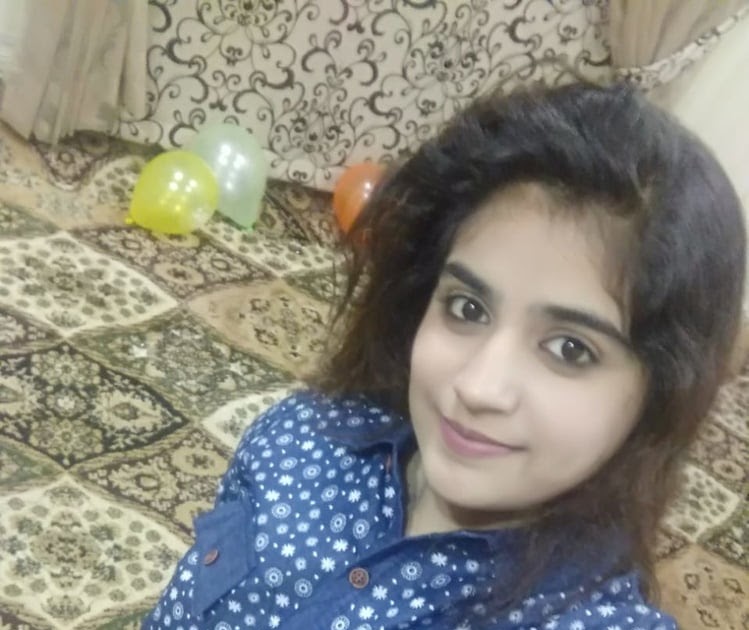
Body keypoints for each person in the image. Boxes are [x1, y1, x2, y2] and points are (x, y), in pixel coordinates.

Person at [142, 82, 746, 630]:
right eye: (467, 308)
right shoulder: (302, 439)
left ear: (659, 393)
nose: (478, 387)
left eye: (570, 348)